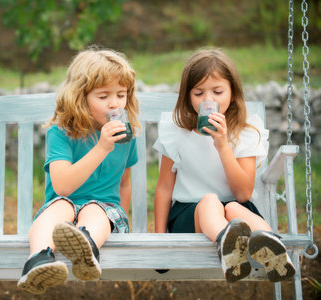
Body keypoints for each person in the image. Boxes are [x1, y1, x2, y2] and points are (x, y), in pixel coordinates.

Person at [153, 49, 295, 283]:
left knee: (235, 210)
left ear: (232, 93)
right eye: (198, 93)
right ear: (188, 96)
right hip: (190, 214)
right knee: (210, 201)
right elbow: (164, 188)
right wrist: (159, 243)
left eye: (218, 91)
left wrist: (223, 146)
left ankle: (273, 249)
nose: (208, 100)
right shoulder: (176, 131)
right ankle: (227, 246)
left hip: (234, 209)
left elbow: (242, 193)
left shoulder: (246, 130)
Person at [17, 46, 141, 294]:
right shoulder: (61, 132)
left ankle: (86, 248)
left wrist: (121, 219)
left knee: (96, 209)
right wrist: (102, 147)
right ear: (80, 96)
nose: (114, 103)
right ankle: (38, 260)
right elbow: (62, 186)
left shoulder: (126, 135)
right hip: (63, 205)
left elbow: (124, 182)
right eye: (103, 96)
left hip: (103, 211)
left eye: (120, 94)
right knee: (60, 206)